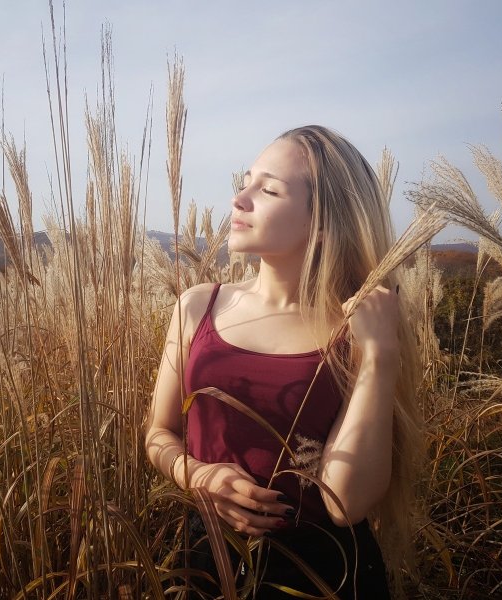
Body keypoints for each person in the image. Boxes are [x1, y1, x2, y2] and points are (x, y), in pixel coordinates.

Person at [145, 125, 422, 599]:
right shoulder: (196, 307)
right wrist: (197, 474)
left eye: (268, 189)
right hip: (210, 559)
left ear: (323, 218)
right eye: (245, 182)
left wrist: (380, 354)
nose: (239, 199)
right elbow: (158, 434)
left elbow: (346, 503)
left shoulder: (357, 328)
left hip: (324, 573)